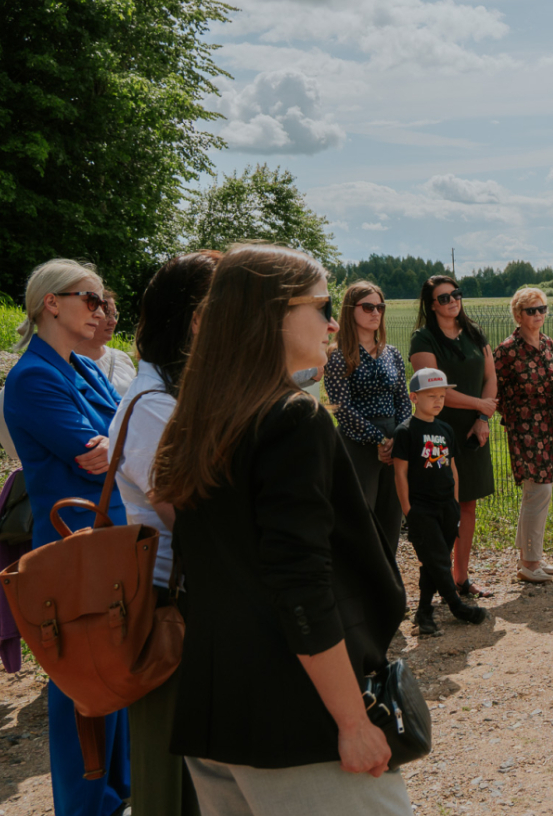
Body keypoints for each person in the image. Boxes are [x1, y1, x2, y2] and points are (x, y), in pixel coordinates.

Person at [150, 243, 411, 813]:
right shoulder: (293, 416)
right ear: (270, 313)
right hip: (297, 718)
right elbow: (300, 584)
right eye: (320, 306)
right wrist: (351, 720)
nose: (331, 322)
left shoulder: (200, 417)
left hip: (217, 708)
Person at [2, 258, 131, 815]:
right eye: (91, 299)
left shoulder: (82, 368)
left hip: (109, 541)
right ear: (51, 302)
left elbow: (119, 437)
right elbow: (96, 455)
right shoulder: (33, 375)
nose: (101, 311)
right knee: (82, 684)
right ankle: (86, 806)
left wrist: (118, 438)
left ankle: (119, 792)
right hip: (74, 550)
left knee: (118, 673)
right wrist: (121, 437)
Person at [108, 250, 222, 816]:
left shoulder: (170, 393)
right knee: (169, 773)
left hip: (182, 595)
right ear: (198, 319)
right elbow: (190, 514)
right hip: (168, 605)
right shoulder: (155, 407)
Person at [408, 276, 497, 599]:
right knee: (440, 507)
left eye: (455, 295)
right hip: (435, 432)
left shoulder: (474, 333)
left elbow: (491, 377)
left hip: (474, 431)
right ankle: (439, 581)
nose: (452, 301)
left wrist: (483, 418)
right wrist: (480, 405)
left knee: (467, 505)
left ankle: (461, 578)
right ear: (432, 305)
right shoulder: (423, 339)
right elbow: (433, 390)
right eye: (443, 298)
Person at [393, 368, 488, 636]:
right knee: (438, 560)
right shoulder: (406, 431)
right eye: (431, 395)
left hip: (447, 506)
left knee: (434, 562)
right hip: (421, 508)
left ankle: (424, 613)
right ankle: (457, 606)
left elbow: (452, 468)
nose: (438, 400)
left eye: (442, 395)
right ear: (413, 397)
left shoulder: (445, 429)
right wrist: (408, 510)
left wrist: (456, 504)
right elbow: (400, 473)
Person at [494, 288, 553, 584]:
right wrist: (516, 419)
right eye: (532, 310)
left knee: (540, 492)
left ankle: (531, 558)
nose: (539, 314)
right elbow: (495, 390)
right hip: (526, 429)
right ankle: (529, 563)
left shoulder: (547, 343)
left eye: (542, 308)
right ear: (518, 315)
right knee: (537, 491)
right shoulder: (507, 350)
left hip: (551, 425)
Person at [324, 282, 411, 554]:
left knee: (391, 516)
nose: (376, 312)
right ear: (351, 311)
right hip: (357, 443)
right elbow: (341, 407)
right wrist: (378, 439)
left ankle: (387, 586)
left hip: (394, 442)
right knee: (360, 517)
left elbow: (403, 399)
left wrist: (399, 438)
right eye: (368, 307)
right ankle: (356, 590)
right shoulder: (337, 356)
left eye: (380, 307)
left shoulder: (392, 353)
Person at [79, 291, 135, 395]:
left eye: (115, 315)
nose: (113, 321)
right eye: (106, 314)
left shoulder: (122, 359)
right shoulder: (64, 360)